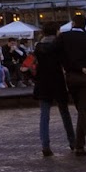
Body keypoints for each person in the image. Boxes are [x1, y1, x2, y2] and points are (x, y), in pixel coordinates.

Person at [55, 16, 86, 155]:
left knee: (81, 110)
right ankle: (80, 145)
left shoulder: (64, 37)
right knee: (83, 112)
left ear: (73, 23)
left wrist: (69, 66)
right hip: (85, 78)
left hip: (70, 77)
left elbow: (57, 54)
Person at [32, 22, 76, 156]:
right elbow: (66, 63)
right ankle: (72, 141)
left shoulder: (38, 47)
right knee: (65, 113)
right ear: (56, 31)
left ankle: (45, 145)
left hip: (43, 82)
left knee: (44, 115)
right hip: (57, 81)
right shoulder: (58, 47)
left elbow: (32, 63)